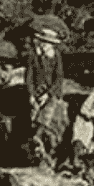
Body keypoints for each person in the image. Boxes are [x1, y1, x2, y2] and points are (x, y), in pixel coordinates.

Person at [21, 20, 68, 170]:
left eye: (47, 43)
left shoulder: (56, 56)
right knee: (33, 112)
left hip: (51, 91)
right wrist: (32, 95)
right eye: (42, 42)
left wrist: (49, 94)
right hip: (37, 90)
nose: (44, 45)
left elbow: (59, 77)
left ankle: (39, 135)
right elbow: (29, 77)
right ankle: (33, 147)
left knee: (49, 110)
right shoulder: (33, 56)